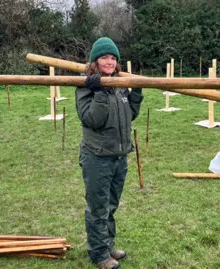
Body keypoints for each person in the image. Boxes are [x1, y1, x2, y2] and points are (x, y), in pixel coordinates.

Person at [75, 37, 144, 269]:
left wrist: (137, 93)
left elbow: (128, 115)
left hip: (119, 155)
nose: (110, 61)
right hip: (97, 157)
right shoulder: (85, 86)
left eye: (113, 58)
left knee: (111, 206)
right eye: (105, 57)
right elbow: (92, 119)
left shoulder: (119, 84)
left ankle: (108, 245)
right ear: (95, 60)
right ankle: (98, 254)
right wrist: (100, 92)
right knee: (98, 208)